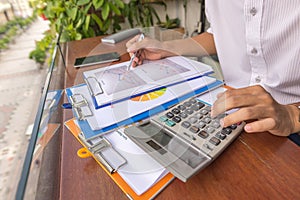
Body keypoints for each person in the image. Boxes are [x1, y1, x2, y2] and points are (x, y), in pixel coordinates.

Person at [126, 1, 300, 139]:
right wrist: (165, 47)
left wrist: (292, 116)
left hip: (291, 125)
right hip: (228, 109)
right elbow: (220, 33)